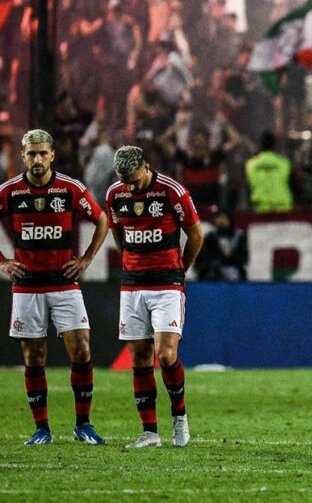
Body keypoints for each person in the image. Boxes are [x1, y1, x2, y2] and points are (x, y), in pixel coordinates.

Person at [0, 129, 109, 445]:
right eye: (31, 153)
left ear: (52, 155)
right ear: (23, 156)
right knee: (34, 356)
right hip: (27, 286)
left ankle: (83, 425)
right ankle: (42, 430)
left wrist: (87, 258)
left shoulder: (70, 188)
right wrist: (4, 262)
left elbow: (102, 220)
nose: (36, 159)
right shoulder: (9, 191)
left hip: (64, 284)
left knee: (81, 349)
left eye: (42, 153)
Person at [106, 146, 204, 448]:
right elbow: (118, 232)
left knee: (165, 354)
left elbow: (196, 234)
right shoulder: (115, 195)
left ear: (147, 167)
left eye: (135, 180)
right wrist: (130, 261)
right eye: (125, 182)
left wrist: (180, 270)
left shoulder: (172, 192)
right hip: (132, 285)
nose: (131, 187)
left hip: (166, 285)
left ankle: (179, 418)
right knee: (139, 357)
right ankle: (149, 431)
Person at [245, 131, 294, 213]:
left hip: (260, 208)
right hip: (283, 208)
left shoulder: (250, 165)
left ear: (260, 145)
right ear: (275, 145)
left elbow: (249, 185)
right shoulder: (285, 163)